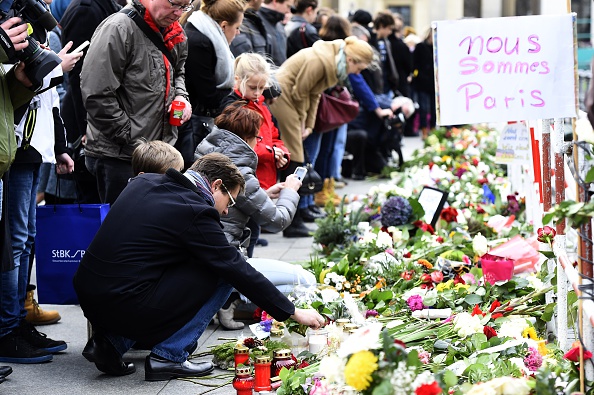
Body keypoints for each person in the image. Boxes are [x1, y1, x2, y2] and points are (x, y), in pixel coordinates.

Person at [74, 152, 324, 381]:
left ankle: (109, 344)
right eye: (230, 201)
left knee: (185, 264)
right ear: (216, 186)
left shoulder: (145, 181)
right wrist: (292, 312)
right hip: (125, 302)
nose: (226, 211)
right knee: (225, 272)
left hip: (89, 296)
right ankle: (169, 356)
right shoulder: (196, 211)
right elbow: (237, 269)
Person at [196, 101, 315, 328]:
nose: (259, 142)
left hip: (206, 256)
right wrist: (290, 191)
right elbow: (277, 221)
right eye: (258, 138)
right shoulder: (237, 169)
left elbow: (238, 201)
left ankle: (226, 301)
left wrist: (266, 194)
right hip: (226, 261)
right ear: (248, 138)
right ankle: (228, 301)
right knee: (305, 280)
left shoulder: (207, 157)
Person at [81, 0, 192, 205]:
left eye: (186, 6)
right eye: (175, 4)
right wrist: (131, 138)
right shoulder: (118, 28)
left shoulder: (173, 30)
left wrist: (181, 97)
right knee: (122, 229)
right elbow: (96, 93)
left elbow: (179, 71)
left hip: (159, 153)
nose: (178, 12)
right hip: (120, 156)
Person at [269, 36, 374, 237]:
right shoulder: (320, 60)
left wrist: (308, 124)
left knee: (297, 155)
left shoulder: (334, 63)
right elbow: (300, 92)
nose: (357, 73)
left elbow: (315, 94)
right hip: (283, 96)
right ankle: (291, 221)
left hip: (294, 99)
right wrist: (301, 122)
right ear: (351, 60)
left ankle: (293, 217)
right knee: (296, 157)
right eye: (359, 68)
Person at [0, 16, 41, 374]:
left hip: (10, 153)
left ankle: (13, 324)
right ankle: (6, 328)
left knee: (19, 241)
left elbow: (5, 103)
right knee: (13, 244)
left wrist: (22, 84)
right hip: (14, 156)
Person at [220, 53, 290, 256]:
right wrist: (271, 153)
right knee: (242, 233)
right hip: (244, 181)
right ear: (238, 80)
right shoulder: (233, 106)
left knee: (254, 232)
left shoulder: (262, 105)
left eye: (262, 88)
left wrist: (281, 151)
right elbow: (238, 146)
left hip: (262, 178)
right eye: (253, 87)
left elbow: (274, 136)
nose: (258, 93)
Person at [59, 0, 122, 204]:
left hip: (95, 116)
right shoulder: (85, 10)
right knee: (90, 202)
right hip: (86, 120)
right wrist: (88, 125)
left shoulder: (102, 5)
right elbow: (81, 76)